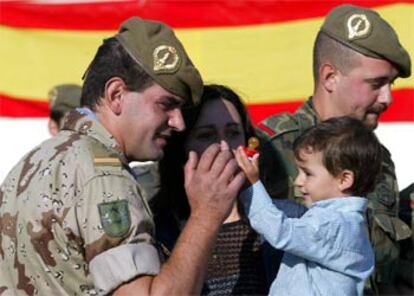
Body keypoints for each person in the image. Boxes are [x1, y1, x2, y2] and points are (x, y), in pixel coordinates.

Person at [0, 17, 246, 295]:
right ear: (116, 94)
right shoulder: (104, 175)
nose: (178, 122)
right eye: (166, 104)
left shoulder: (31, 162)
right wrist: (206, 214)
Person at [256, 4, 412, 294]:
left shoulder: (378, 160)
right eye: (376, 84)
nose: (388, 97)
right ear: (330, 77)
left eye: (390, 83)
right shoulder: (272, 148)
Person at [151, 84, 306, 295]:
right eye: (206, 136)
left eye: (233, 133)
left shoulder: (290, 219)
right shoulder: (157, 232)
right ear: (182, 150)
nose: (224, 147)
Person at [236, 116, 380, 296]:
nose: (298, 181)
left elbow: (280, 232)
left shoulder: (332, 224)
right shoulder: (347, 223)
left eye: (308, 174)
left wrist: (252, 183)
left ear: (344, 179)